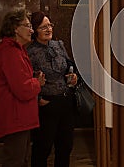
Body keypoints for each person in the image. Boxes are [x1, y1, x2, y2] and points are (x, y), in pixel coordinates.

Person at [0, 9, 45, 167]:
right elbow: (22, 90)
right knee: (15, 161)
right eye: (27, 26)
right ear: (15, 28)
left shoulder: (16, 50)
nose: (32, 30)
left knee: (21, 160)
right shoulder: (10, 51)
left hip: (19, 116)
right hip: (15, 116)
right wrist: (37, 82)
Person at [27, 11, 78, 167]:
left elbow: (69, 65)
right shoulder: (30, 52)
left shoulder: (58, 45)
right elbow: (26, 80)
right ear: (34, 30)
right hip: (46, 104)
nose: (48, 29)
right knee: (43, 147)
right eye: (43, 27)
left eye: (50, 25)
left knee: (65, 146)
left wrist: (73, 76)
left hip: (65, 101)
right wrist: (38, 100)